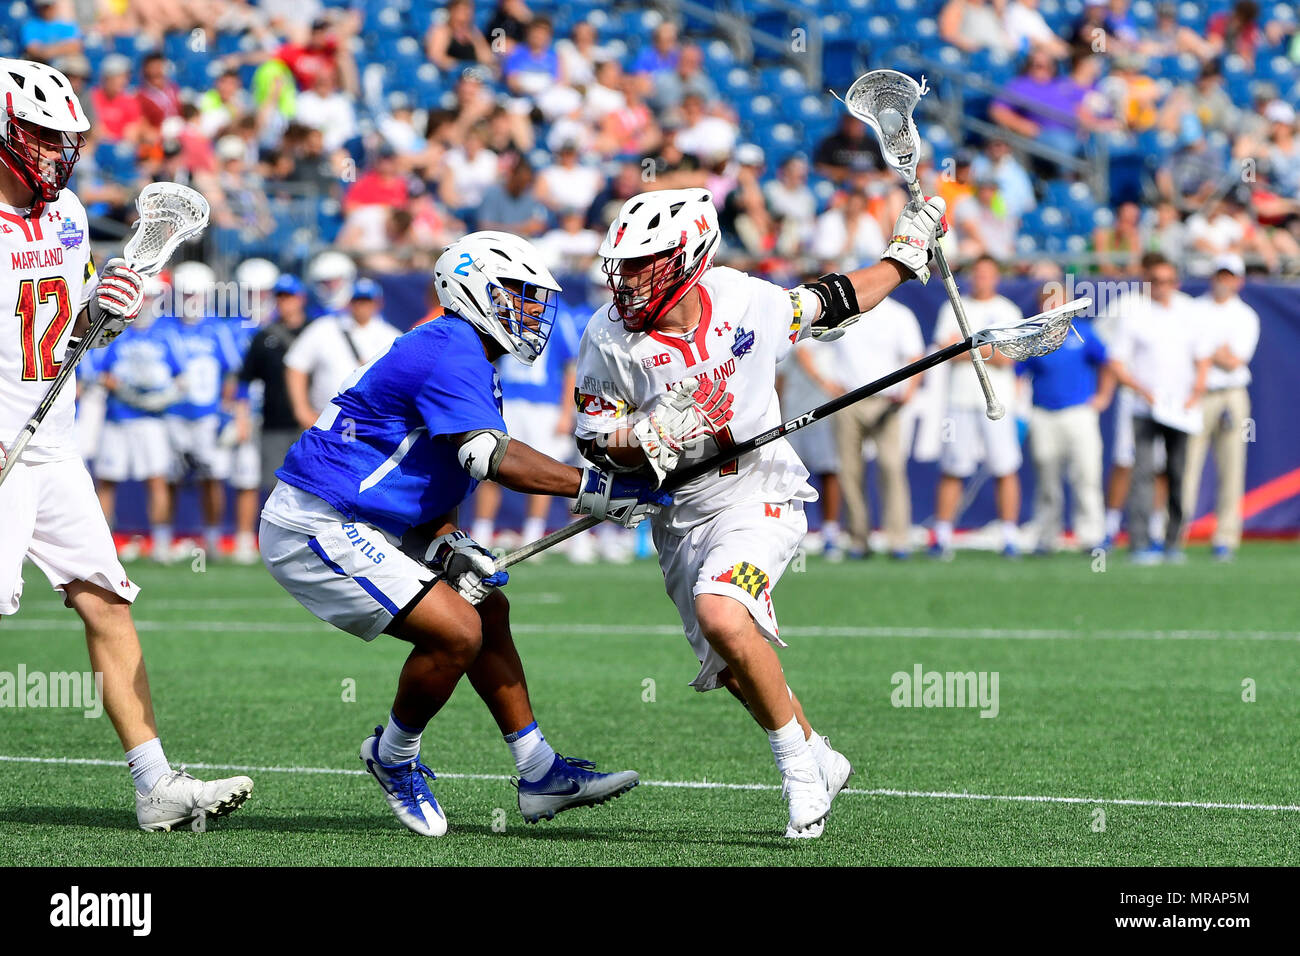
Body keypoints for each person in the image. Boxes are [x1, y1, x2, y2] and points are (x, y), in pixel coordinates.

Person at [259, 231, 664, 835]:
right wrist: (592, 490)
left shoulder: (461, 352)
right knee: (456, 631)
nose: (531, 312)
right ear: (472, 290)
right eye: (518, 295)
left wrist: (446, 544)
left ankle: (539, 771)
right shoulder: (450, 347)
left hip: (367, 518)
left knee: (487, 609)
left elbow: (421, 471)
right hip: (319, 519)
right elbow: (488, 457)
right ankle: (392, 757)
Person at [573, 186, 947, 836]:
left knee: (723, 610)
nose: (625, 280)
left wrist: (905, 256)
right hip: (682, 514)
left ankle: (799, 774)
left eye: (643, 263)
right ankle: (820, 756)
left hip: (761, 490)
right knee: (737, 668)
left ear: (689, 258)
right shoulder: (608, 337)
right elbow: (593, 436)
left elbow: (831, 302)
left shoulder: (745, 299)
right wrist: (640, 442)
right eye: (623, 264)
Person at [0, 57, 252, 830]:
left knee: (107, 603)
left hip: (54, 447)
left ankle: (155, 786)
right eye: (40, 138)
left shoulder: (69, 212)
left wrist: (110, 310)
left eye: (64, 139)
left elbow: (76, 338)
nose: (57, 154)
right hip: (4, 449)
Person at [1106, 253, 1212, 563]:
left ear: (1176, 282)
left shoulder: (1190, 312)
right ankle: (1139, 541)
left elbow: (1203, 357)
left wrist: (1196, 392)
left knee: (1178, 473)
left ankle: (1172, 540)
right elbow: (1117, 361)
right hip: (1145, 406)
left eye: (1167, 281)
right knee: (1142, 473)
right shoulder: (1134, 314)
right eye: (1155, 281)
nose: (1161, 287)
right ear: (1146, 283)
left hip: (1181, 408)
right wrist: (1142, 390)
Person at [930, 256, 1024, 559]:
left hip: (997, 400)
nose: (982, 279)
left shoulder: (1008, 310)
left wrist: (968, 346)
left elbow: (1007, 357)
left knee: (1005, 466)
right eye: (978, 274)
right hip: (960, 399)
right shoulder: (954, 307)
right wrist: (986, 348)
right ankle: (942, 534)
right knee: (954, 467)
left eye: (988, 274)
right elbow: (945, 349)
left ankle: (1009, 534)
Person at [1017, 282, 1113, 552]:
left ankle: (1092, 536)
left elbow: (1108, 362)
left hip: (1079, 412)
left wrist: (1103, 396)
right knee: (1047, 478)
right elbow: (1019, 373)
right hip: (1044, 412)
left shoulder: (1082, 333)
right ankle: (1047, 536)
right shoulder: (1034, 337)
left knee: (1086, 476)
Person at [827, 296, 924, 559]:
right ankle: (859, 539)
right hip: (848, 399)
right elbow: (815, 348)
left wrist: (908, 393)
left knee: (891, 467)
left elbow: (915, 356)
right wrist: (828, 385)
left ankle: (898, 540)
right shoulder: (843, 312)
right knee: (849, 470)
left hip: (887, 401)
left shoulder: (898, 314)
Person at [161, 262, 245, 561]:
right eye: (185, 295)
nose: (190, 301)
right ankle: (163, 540)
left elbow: (232, 372)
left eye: (195, 295)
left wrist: (226, 409)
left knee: (211, 476)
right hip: (171, 413)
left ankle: (211, 539)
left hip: (207, 414)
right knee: (169, 477)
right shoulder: (165, 326)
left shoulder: (217, 329)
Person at [93, 288, 183, 563]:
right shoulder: (117, 332)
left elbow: (182, 378)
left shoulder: (166, 335)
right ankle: (100, 543)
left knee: (156, 479)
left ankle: (161, 542)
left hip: (151, 421)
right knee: (108, 479)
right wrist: (129, 393)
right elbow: (102, 375)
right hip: (118, 417)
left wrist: (162, 398)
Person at [1183, 254, 1259, 561]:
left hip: (1231, 393)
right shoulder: (1193, 309)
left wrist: (1206, 352)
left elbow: (1235, 360)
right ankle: (1176, 533)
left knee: (1232, 467)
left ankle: (1226, 537)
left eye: (1230, 276)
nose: (1224, 281)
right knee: (1186, 465)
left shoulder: (1245, 315)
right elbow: (1188, 350)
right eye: (1220, 275)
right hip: (1197, 393)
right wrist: (1213, 352)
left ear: (1238, 281)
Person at [284, 278, 400, 431]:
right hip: (325, 420)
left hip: (371, 423)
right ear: (349, 301)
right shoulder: (325, 328)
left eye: (367, 300)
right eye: (357, 300)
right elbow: (296, 364)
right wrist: (302, 410)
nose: (362, 305)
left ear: (378, 303)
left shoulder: (390, 336)